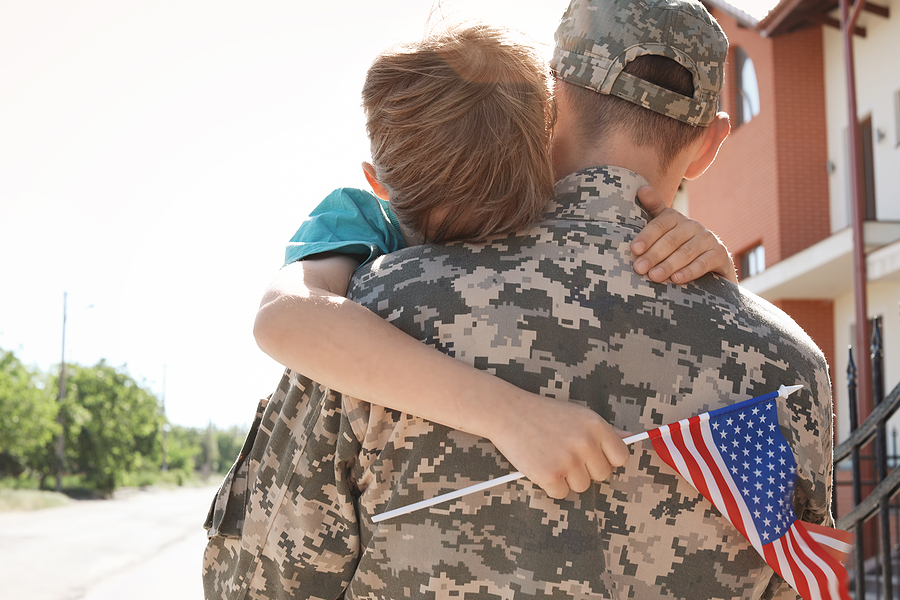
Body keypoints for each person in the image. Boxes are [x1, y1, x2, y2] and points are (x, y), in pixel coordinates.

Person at [204, 3, 835, 599]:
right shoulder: (788, 363)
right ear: (710, 142)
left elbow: (256, 582)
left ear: (550, 104)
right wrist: (731, 304)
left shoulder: (371, 310)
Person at [252, 27, 737, 500]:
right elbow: (282, 316)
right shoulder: (362, 220)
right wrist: (507, 414)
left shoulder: (549, 201)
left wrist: (716, 278)